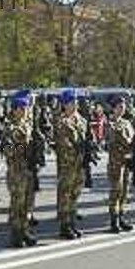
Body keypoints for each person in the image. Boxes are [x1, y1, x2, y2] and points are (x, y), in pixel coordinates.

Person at [4, 92, 37, 248]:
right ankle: (15, 234)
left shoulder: (28, 125)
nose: (24, 111)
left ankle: (24, 230)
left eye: (26, 108)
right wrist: (23, 147)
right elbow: (8, 150)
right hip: (16, 170)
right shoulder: (10, 127)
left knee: (27, 202)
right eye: (21, 108)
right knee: (17, 203)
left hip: (28, 168)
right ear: (15, 110)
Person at [54, 89, 87, 240]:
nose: (75, 105)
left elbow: (86, 138)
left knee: (75, 193)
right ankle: (65, 225)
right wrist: (76, 148)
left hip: (79, 163)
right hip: (67, 164)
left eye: (76, 102)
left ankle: (72, 221)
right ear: (64, 105)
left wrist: (87, 148)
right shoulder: (61, 122)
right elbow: (63, 144)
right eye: (71, 102)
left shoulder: (81, 120)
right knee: (65, 194)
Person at [106, 95, 135, 233]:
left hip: (126, 161)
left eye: (123, 106)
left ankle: (121, 217)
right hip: (115, 163)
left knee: (124, 191)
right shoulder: (110, 123)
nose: (122, 109)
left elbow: (133, 140)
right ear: (113, 108)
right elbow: (112, 140)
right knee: (115, 192)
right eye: (119, 106)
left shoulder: (127, 123)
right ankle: (114, 220)